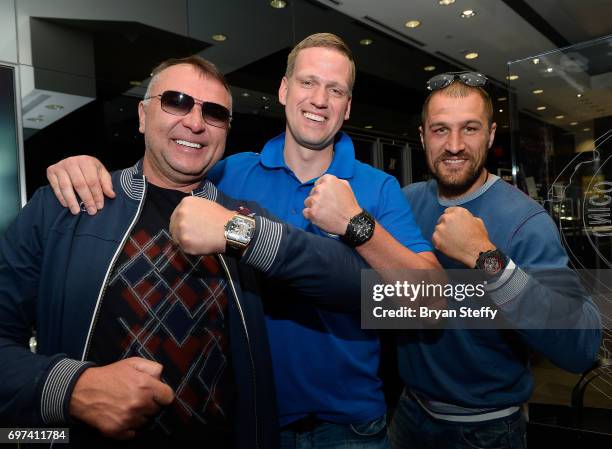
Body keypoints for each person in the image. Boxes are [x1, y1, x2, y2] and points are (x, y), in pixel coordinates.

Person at [45, 33, 440, 448]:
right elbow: (160, 185)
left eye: (335, 89)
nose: (319, 99)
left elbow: (431, 306)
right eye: (307, 82)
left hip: (351, 423)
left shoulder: (378, 187)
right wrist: (86, 170)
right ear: (284, 91)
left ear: (347, 107)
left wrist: (356, 223)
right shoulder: (229, 173)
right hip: (251, 415)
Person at [386, 72, 601, 448]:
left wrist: (488, 260)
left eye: (469, 129)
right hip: (410, 413)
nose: (454, 145)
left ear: (490, 134)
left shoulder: (526, 222)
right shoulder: (406, 201)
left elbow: (579, 347)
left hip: (487, 430)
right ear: (422, 136)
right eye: (440, 130)